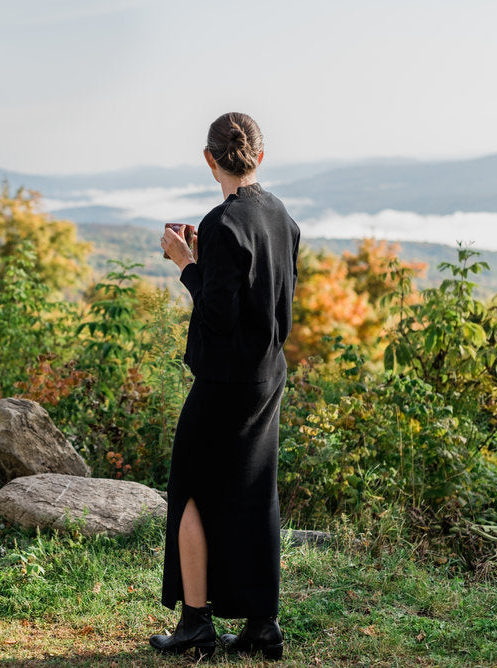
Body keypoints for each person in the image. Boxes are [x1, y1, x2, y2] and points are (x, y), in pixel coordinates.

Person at [149, 112, 300, 661]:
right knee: (255, 492)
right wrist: (204, 260)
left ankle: (196, 624)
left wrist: (185, 261)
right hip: (267, 375)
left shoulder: (221, 222)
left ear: (209, 159)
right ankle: (262, 625)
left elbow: (217, 316)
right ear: (260, 156)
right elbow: (266, 297)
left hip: (224, 381)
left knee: (190, 488)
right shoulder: (282, 217)